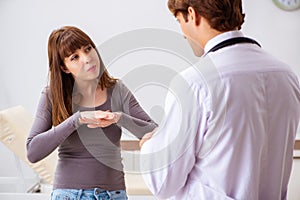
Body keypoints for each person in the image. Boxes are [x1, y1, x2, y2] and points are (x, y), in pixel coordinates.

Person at [139, 0, 300, 199]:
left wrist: (149, 145)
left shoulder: (195, 82)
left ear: (192, 14)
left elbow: (162, 182)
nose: (181, 32)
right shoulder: (285, 75)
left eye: (179, 20)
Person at [26, 26, 157, 200]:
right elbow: (33, 152)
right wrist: (78, 119)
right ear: (65, 68)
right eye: (75, 57)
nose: (87, 59)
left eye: (88, 49)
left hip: (114, 195)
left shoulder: (117, 90)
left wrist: (118, 118)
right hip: (69, 195)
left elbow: (154, 132)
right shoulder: (52, 96)